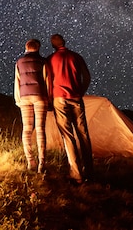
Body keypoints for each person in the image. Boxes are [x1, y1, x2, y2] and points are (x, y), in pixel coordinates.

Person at [47, 33, 94, 184]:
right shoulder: (76, 57)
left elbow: (47, 80)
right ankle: (89, 170)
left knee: (68, 136)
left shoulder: (50, 60)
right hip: (76, 98)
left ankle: (76, 174)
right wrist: (81, 92)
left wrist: (49, 98)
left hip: (59, 99)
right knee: (83, 134)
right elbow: (87, 77)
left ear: (53, 45)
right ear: (64, 42)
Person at [14, 38, 50, 173]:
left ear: (26, 47)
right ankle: (42, 163)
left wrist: (18, 99)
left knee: (27, 129)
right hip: (40, 96)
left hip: (24, 97)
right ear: (38, 48)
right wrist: (49, 99)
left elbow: (17, 82)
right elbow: (47, 80)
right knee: (40, 129)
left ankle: (31, 161)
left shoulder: (19, 62)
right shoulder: (43, 61)